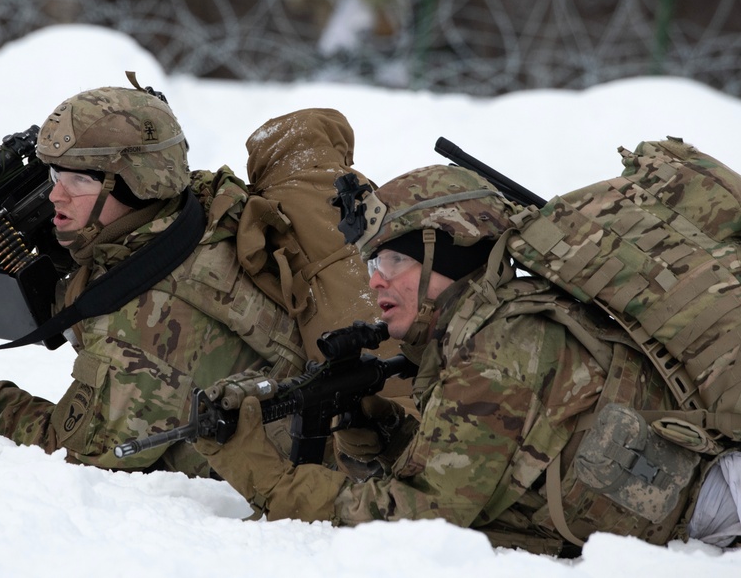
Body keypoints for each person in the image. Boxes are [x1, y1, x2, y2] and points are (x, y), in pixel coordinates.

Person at [194, 163, 713, 555]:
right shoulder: (499, 324)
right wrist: (388, 432)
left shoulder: (497, 350)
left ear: (446, 253)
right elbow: (495, 461)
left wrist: (267, 479)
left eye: (395, 258)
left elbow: (421, 520)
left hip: (710, 520)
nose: (375, 279)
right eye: (374, 260)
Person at [0, 76, 307, 477]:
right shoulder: (202, 207)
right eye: (55, 177)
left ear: (137, 183)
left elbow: (81, 456)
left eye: (79, 180)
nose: (55, 197)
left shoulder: (145, 326)